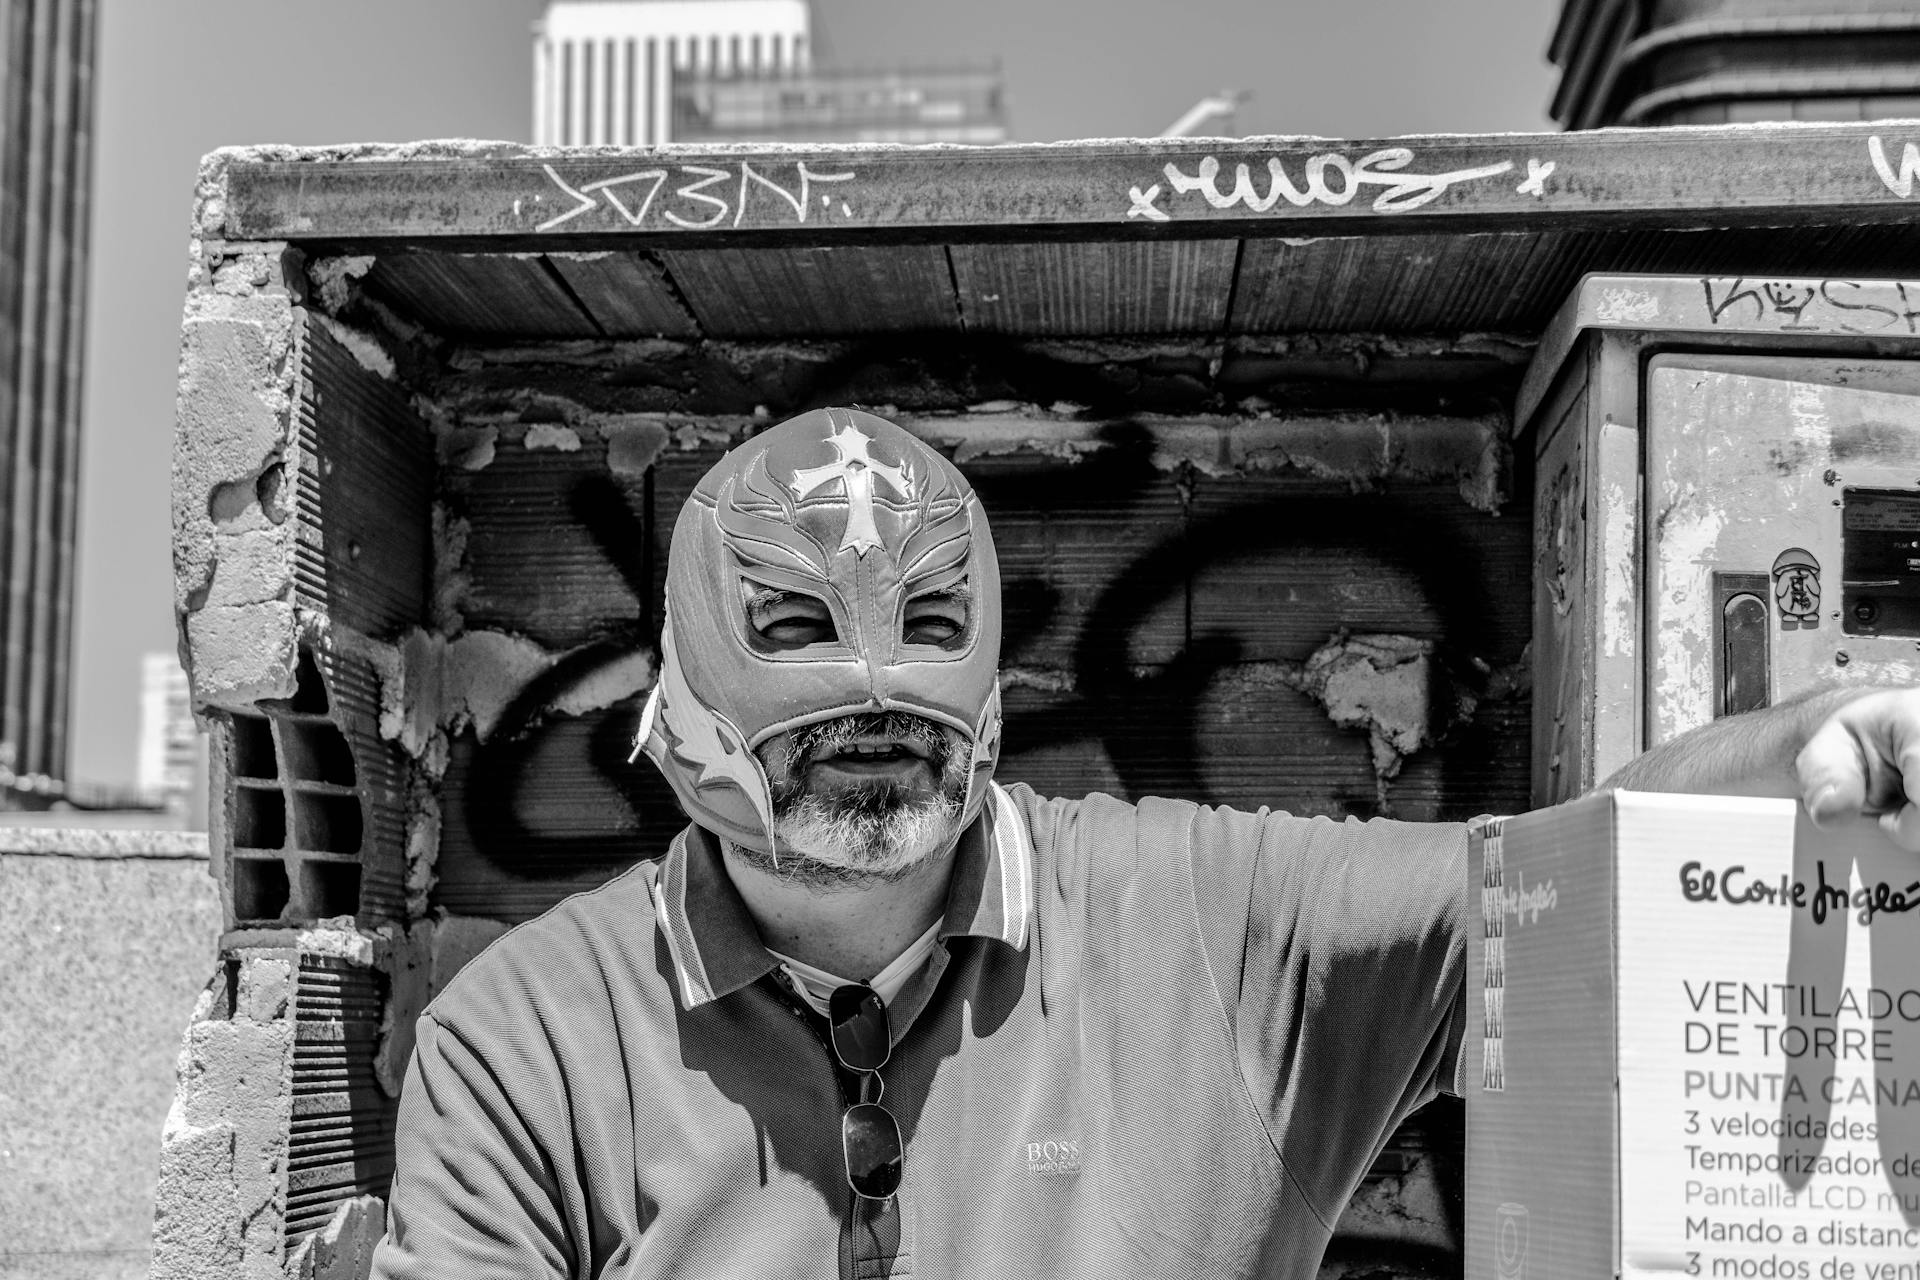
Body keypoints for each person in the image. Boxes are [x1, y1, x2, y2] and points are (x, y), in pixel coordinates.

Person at [370, 408, 1920, 1279]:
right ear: (682, 699)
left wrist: (1806, 752)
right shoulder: (523, 1046)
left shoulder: (1219, 924)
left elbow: (1585, 888)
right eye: (794, 650)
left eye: (920, 650)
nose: (868, 702)